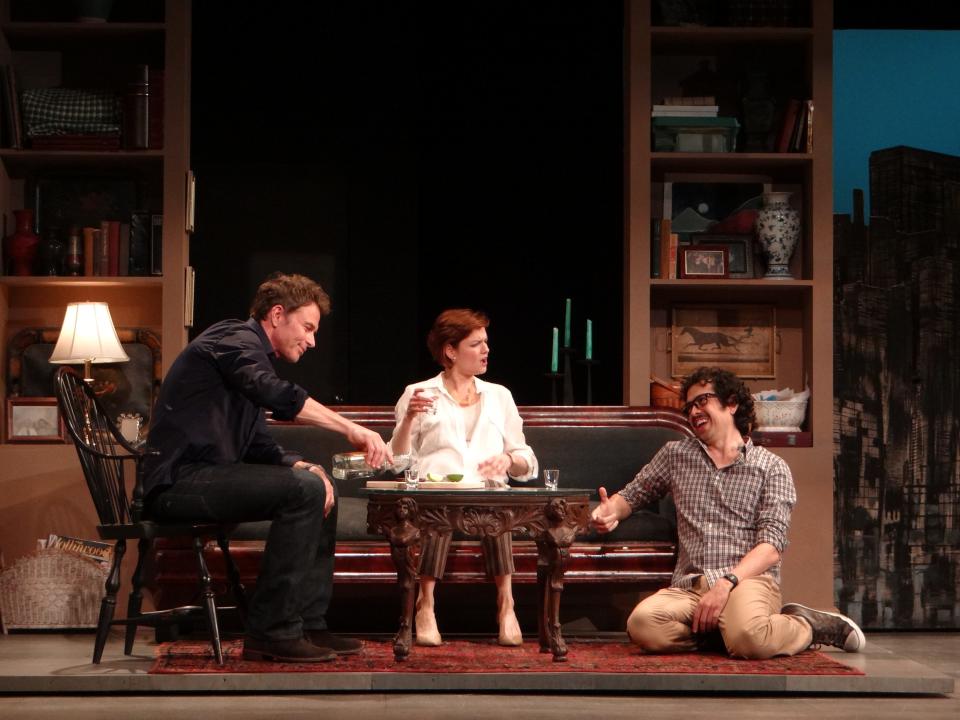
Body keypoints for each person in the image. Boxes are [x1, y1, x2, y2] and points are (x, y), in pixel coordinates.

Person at [143, 272, 391, 663]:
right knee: (304, 490)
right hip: (178, 482)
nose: (312, 340)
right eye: (307, 327)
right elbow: (272, 391)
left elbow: (258, 441)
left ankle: (308, 623)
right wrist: (349, 428)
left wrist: (302, 463)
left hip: (209, 476)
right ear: (277, 315)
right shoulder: (232, 339)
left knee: (316, 482)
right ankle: (271, 632)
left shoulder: (248, 355)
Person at [591, 366, 865, 659]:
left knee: (749, 639)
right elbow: (633, 495)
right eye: (689, 406)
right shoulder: (676, 455)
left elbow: (771, 548)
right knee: (643, 625)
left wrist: (727, 584)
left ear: (731, 403)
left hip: (746, 583)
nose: (693, 411)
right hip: (691, 586)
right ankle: (727, 634)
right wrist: (610, 511)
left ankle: (807, 626)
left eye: (702, 401)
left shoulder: (771, 468)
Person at [390, 308, 538, 647]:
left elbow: (527, 460)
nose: (486, 350)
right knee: (439, 512)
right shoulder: (419, 393)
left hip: (487, 497)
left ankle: (506, 604)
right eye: (476, 343)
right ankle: (425, 603)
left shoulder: (499, 396)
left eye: (486, 342)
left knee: (495, 512)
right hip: (437, 496)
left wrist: (507, 460)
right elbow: (397, 461)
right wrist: (409, 420)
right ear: (450, 351)